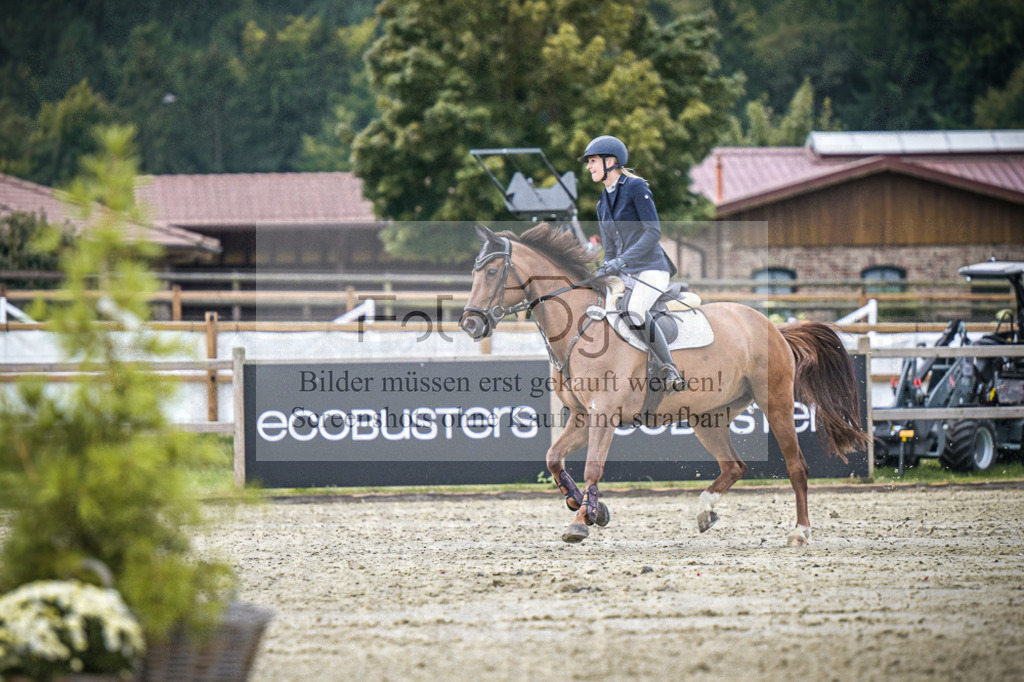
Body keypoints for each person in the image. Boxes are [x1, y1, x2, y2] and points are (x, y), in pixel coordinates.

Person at [578, 134, 684, 391]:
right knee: (600, 311)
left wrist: (622, 261)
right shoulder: (602, 203)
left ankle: (670, 369)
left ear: (610, 161)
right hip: (625, 273)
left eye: (592, 161)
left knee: (634, 310)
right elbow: (610, 248)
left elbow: (652, 232)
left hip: (651, 269)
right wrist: (605, 267)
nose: (589, 166)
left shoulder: (636, 188)